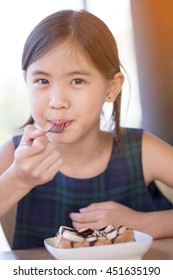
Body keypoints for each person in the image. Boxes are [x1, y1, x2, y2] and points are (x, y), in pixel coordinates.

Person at [0, 10, 173, 249]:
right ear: (26, 82)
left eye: (77, 81)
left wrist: (141, 223)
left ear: (111, 88)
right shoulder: (13, 155)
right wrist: (18, 179)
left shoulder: (141, 150)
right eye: (42, 81)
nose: (57, 101)